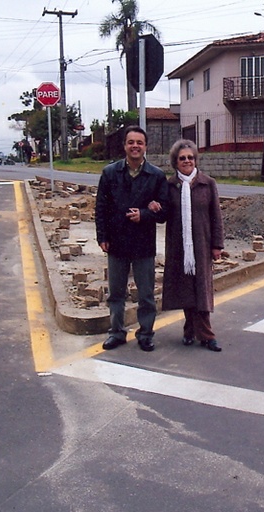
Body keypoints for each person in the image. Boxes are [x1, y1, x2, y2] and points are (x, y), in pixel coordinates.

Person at [95, 125, 168, 352]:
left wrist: (145, 214)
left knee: (146, 294)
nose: (135, 146)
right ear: (124, 145)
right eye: (131, 142)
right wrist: (102, 237)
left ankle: (145, 333)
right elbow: (101, 208)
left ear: (145, 146)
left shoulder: (156, 176)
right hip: (116, 242)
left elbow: (164, 213)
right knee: (116, 293)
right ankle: (116, 333)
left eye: (139, 142)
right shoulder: (110, 173)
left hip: (143, 243)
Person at [151, 139, 224, 352]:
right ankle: (190, 329)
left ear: (195, 160)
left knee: (202, 289)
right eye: (182, 158)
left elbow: (216, 217)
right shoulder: (170, 186)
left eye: (190, 157)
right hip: (179, 247)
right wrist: (155, 208)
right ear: (175, 161)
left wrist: (217, 245)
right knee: (185, 290)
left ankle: (206, 334)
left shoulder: (207, 183)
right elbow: (164, 216)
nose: (187, 161)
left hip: (202, 245)